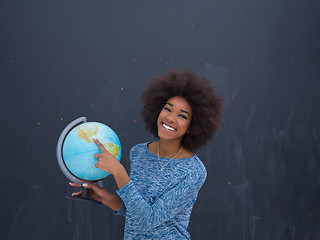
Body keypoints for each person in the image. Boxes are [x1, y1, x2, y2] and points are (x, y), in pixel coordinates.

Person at [70, 68, 223, 239]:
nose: (171, 118)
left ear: (193, 126)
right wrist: (106, 198)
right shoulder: (138, 153)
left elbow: (149, 220)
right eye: (168, 109)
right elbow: (137, 210)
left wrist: (118, 172)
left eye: (182, 116)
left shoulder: (194, 171)